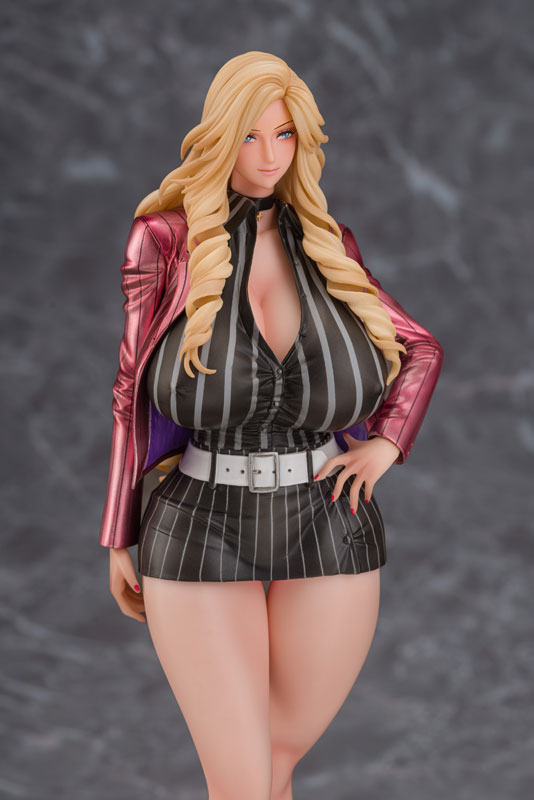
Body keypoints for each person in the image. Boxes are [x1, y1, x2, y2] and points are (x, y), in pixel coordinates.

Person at [99, 51, 444, 800]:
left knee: (274, 764)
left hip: (328, 515)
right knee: (243, 782)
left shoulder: (328, 245)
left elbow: (420, 348)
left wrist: (386, 445)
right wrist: (118, 532)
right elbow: (130, 390)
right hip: (200, 517)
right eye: (250, 137)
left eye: (283, 135)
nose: (267, 156)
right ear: (220, 137)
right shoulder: (164, 242)